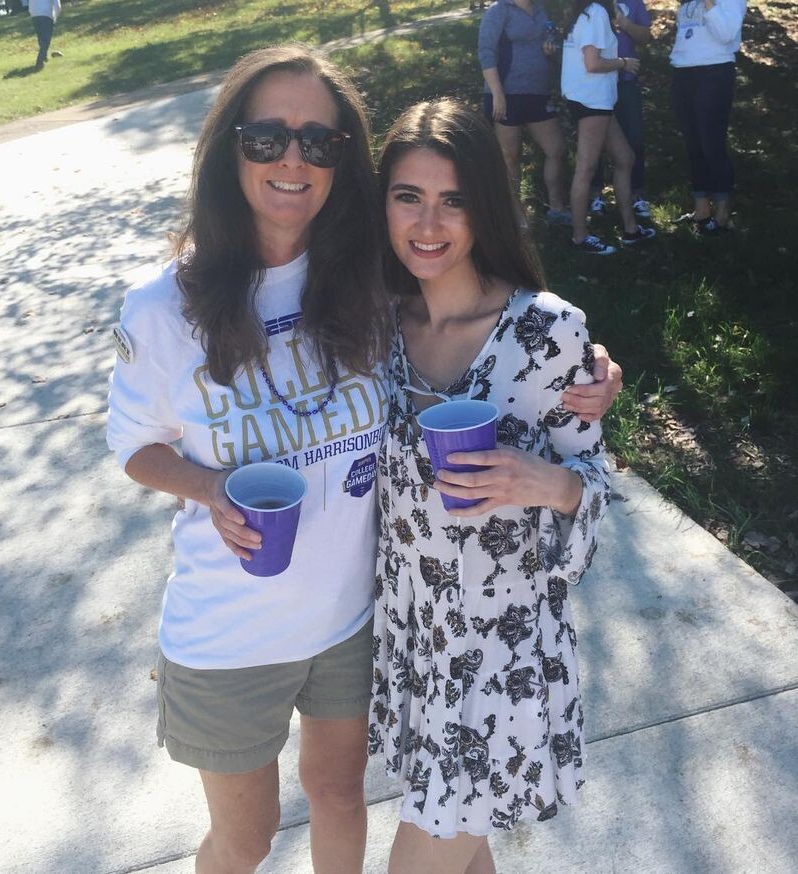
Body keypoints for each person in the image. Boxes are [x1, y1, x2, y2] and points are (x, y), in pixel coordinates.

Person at [107, 43, 621, 874]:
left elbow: (581, 471)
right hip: (351, 640)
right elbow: (136, 441)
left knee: (391, 835)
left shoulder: (460, 313)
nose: (293, 160)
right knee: (297, 842)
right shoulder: (314, 309)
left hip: (446, 649)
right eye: (267, 137)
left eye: (319, 142)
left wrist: (571, 425)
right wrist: (209, 487)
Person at [369, 98, 610, 874]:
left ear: (486, 207)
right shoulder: (377, 327)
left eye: (454, 200)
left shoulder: (547, 332)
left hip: (502, 659)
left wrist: (547, 483)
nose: (427, 223)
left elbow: (592, 489)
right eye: (408, 196)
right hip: (419, 643)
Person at [561, 0, 655, 253]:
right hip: (591, 100)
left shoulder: (583, 12)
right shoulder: (596, 13)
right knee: (586, 168)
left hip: (597, 99)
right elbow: (592, 63)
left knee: (625, 158)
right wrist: (624, 63)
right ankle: (580, 237)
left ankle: (631, 230)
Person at [478, 0, 571, 223]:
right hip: (507, 95)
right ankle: (516, 216)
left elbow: (548, 44)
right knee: (511, 156)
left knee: (556, 149)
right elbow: (486, 52)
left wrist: (550, 52)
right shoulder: (499, 10)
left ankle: (557, 208)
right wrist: (497, 93)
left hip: (537, 93)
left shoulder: (539, 8)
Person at [670, 0, 746, 233]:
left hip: (714, 71)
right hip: (683, 71)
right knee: (693, 144)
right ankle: (701, 209)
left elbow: (726, 33)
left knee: (712, 143)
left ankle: (722, 214)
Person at [588, 0, 653, 218]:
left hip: (626, 82)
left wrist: (625, 23)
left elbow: (646, 37)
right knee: (595, 139)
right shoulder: (592, 3)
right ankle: (596, 195)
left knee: (635, 138)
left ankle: (636, 194)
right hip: (597, 81)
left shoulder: (634, 3)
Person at [28, 0, 61, 71]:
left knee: (41, 38)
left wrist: (32, 14)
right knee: (46, 40)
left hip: (35, 14)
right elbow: (57, 6)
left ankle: (44, 56)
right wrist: (55, 18)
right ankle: (39, 62)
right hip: (46, 14)